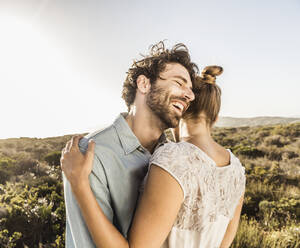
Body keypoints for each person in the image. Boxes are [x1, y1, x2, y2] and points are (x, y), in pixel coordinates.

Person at [61, 66, 246, 248]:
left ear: (180, 110)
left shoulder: (173, 158)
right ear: (215, 119)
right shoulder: (236, 170)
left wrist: (80, 185)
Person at [62, 41, 198, 247]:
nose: (190, 95)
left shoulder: (173, 157)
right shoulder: (92, 153)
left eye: (190, 89)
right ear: (144, 84)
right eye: (179, 83)